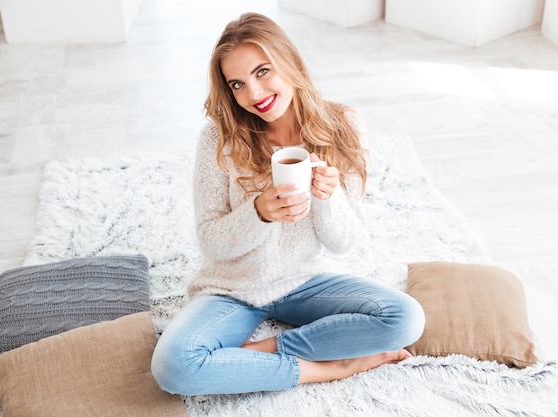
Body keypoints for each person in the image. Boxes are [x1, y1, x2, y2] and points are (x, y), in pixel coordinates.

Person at [151, 12, 425, 396]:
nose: (254, 95)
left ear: (288, 61)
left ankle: (263, 353)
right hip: (233, 290)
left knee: (405, 318)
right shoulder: (219, 137)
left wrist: (326, 198)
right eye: (238, 84)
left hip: (305, 282)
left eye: (262, 72)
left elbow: (346, 242)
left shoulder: (343, 126)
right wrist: (259, 213)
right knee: (173, 367)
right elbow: (211, 241)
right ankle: (328, 369)